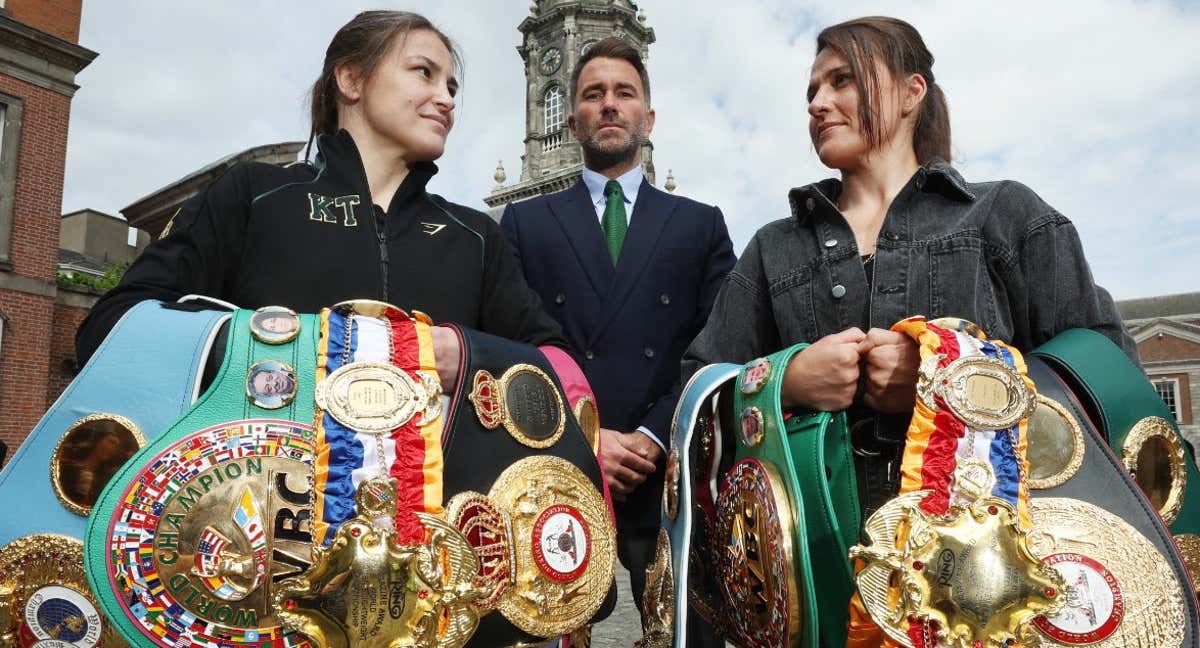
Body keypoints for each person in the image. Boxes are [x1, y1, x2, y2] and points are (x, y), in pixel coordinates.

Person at [683, 16, 1137, 518]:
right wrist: (781, 382)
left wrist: (944, 378)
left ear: (910, 91)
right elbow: (697, 390)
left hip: (987, 563)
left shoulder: (1006, 214)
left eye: (842, 79)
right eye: (811, 91)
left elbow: (1105, 369)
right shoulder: (773, 248)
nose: (816, 104)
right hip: (823, 572)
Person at [75, 11, 565, 391]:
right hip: (258, 506)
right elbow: (112, 326)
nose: (446, 98)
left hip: (428, 513)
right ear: (350, 80)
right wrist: (284, 349)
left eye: (451, 86)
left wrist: (469, 355)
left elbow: (558, 365)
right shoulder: (255, 195)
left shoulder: (475, 235)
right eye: (424, 73)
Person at [500, 37, 735, 617]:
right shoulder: (523, 222)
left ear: (647, 117)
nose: (609, 105)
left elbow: (719, 345)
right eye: (591, 94)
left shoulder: (700, 224)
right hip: (557, 466)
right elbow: (507, 345)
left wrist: (652, 437)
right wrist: (583, 436)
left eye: (624, 93)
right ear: (572, 118)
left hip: (669, 474)